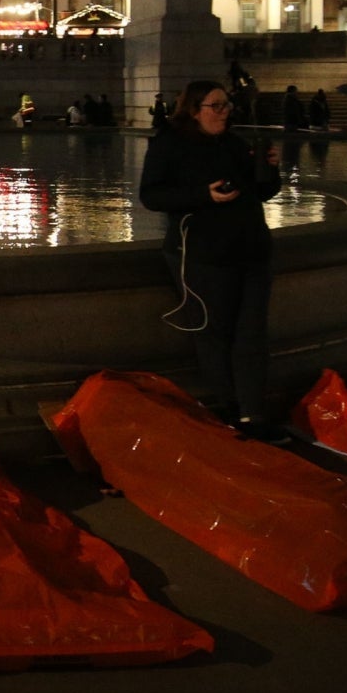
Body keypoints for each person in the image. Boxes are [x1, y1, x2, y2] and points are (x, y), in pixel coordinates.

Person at [139, 79, 280, 435]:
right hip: (203, 252)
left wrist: (271, 169)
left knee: (252, 335)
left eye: (226, 105)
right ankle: (230, 407)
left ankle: (252, 413)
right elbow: (152, 196)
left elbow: (262, 192)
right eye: (215, 106)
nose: (224, 112)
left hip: (251, 249)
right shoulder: (169, 145)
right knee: (213, 333)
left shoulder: (234, 144)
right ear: (193, 110)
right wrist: (204, 195)